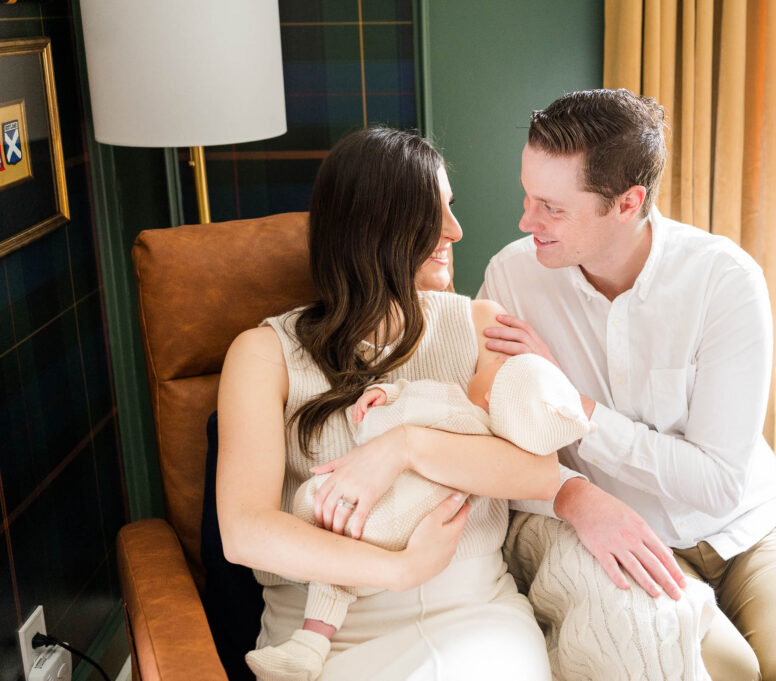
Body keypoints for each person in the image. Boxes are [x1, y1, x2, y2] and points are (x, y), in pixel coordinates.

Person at [479, 89, 776, 681]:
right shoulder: (512, 277)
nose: (526, 221)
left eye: (551, 207)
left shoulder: (723, 282)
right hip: (623, 537)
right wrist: (574, 494)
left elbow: (714, 484)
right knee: (717, 671)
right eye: (528, 196)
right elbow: (490, 442)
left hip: (752, 528)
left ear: (627, 203)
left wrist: (573, 404)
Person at [216, 126, 560, 681]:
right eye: (433, 213)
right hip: (323, 635)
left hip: (474, 612)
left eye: (451, 208)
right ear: (373, 227)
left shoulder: (481, 325)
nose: (456, 230)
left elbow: (539, 472)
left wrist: (403, 447)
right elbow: (245, 531)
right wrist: (398, 570)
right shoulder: (265, 354)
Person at [244, 352, 594, 681]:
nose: (495, 357)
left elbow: (389, 416)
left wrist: (384, 396)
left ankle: (309, 643)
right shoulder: (494, 443)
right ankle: (310, 644)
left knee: (332, 548)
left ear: (489, 396)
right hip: (413, 532)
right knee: (339, 570)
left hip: (382, 517)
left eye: (501, 364)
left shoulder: (451, 402)